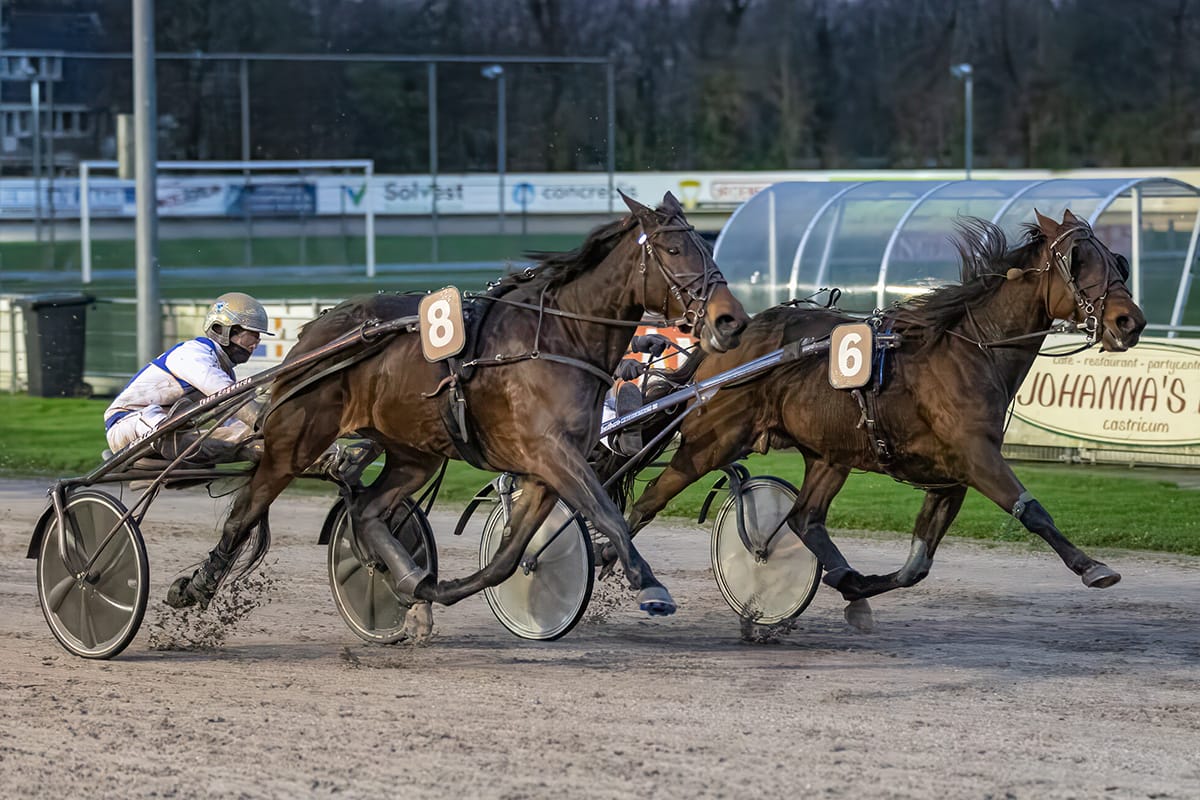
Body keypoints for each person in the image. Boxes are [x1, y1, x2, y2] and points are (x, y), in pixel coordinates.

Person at [103, 292, 273, 463]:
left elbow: (231, 419)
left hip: (170, 429)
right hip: (128, 425)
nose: (256, 343)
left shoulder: (225, 371)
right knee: (158, 421)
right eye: (253, 335)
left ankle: (194, 452)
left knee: (246, 432)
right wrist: (264, 421)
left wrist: (257, 435)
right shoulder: (193, 353)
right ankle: (185, 451)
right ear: (226, 330)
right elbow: (227, 394)